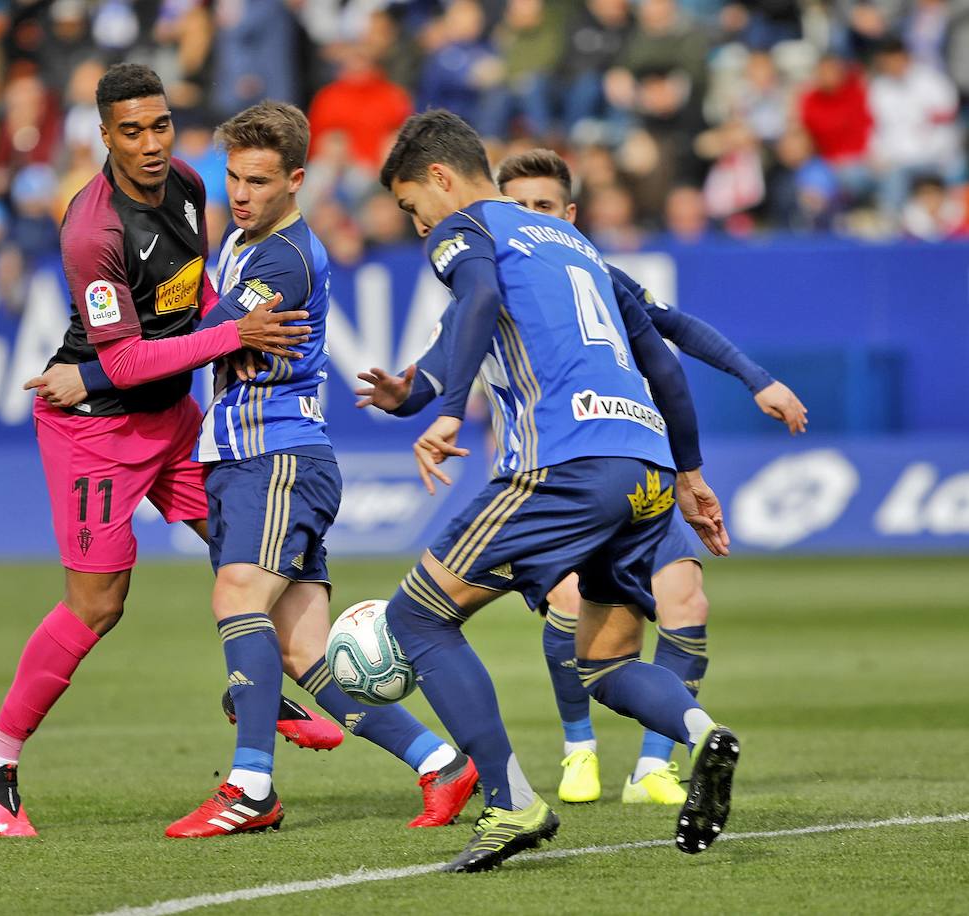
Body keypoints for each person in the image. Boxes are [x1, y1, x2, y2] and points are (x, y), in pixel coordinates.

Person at [374, 110, 739, 872]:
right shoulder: (574, 242)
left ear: (440, 178)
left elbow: (474, 303)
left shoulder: (466, 226)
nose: (418, 228)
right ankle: (704, 734)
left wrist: (446, 417)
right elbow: (663, 365)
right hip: (645, 464)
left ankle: (511, 804)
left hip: (565, 465)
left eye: (412, 207)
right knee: (604, 663)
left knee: (418, 616)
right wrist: (692, 474)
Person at [0, 64, 311, 839]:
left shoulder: (187, 184)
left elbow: (193, 298)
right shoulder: (93, 231)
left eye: (160, 127)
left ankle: (252, 688)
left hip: (171, 417)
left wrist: (234, 322)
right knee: (99, 604)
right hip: (99, 434)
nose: (151, 145)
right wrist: (233, 337)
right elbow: (119, 363)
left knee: (246, 544)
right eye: (131, 131)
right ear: (104, 135)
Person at [156, 102, 476, 839]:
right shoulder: (242, 238)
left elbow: (207, 336)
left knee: (238, 595)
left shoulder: (284, 257)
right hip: (258, 458)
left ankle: (249, 786)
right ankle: (440, 764)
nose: (240, 193)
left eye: (259, 180)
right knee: (304, 650)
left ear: (297, 179)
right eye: (232, 176)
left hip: (276, 458)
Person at [495, 149, 807, 806]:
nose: (530, 219)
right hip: (552, 473)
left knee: (687, 602)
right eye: (516, 207)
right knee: (572, 603)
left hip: (633, 466)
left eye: (544, 206)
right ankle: (579, 748)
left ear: (570, 215)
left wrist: (759, 379)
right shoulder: (488, 278)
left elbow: (677, 331)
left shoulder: (599, 275)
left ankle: (654, 768)